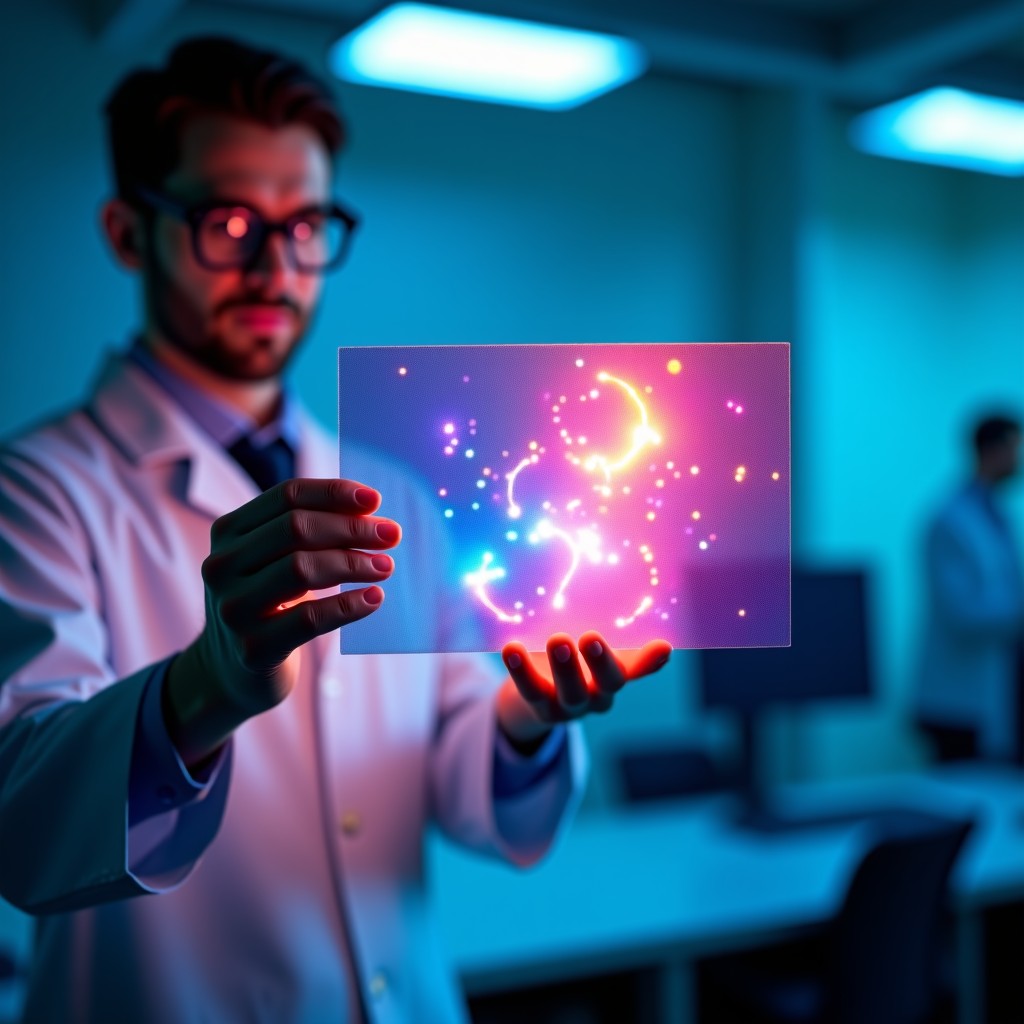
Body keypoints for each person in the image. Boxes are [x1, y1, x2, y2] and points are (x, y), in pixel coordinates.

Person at [0, 37, 672, 1023]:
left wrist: (525, 721)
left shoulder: (386, 489)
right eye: (229, 222)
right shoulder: (41, 488)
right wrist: (205, 690)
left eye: (306, 223)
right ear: (126, 231)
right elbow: (24, 824)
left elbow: (455, 769)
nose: (276, 266)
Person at [914, 412, 1024, 764]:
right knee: (961, 799)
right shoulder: (950, 520)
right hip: (955, 699)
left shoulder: (995, 515)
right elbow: (964, 614)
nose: (1019, 460)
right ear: (992, 451)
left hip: (989, 693)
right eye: (1015, 449)